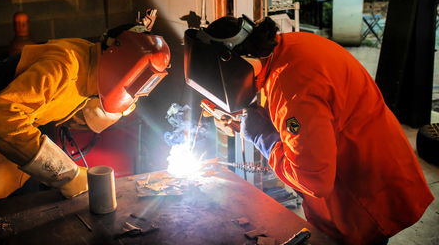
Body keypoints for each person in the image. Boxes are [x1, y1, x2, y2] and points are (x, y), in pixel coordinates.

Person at [183, 15, 434, 245]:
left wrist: (263, 138)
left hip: (364, 193)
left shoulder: (294, 90)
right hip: (368, 154)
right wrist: (256, 116)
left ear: (236, 65)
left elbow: (313, 179)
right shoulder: (286, 49)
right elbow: (303, 120)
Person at [0, 12, 170, 243]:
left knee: (25, 211)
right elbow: (4, 117)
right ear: (117, 57)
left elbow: (89, 115)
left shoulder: (96, 68)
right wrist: (67, 174)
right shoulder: (65, 65)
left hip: (23, 129)